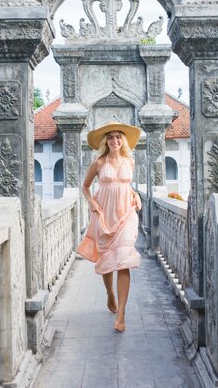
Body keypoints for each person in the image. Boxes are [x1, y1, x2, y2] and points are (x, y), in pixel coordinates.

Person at [77, 122, 142, 332]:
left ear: (123, 141)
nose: (115, 140)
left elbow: (126, 186)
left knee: (124, 260)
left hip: (126, 214)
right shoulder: (98, 163)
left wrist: (136, 194)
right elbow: (85, 186)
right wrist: (91, 202)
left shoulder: (129, 161)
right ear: (106, 141)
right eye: (111, 137)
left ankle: (121, 314)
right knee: (107, 260)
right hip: (104, 215)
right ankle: (110, 293)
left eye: (118, 137)